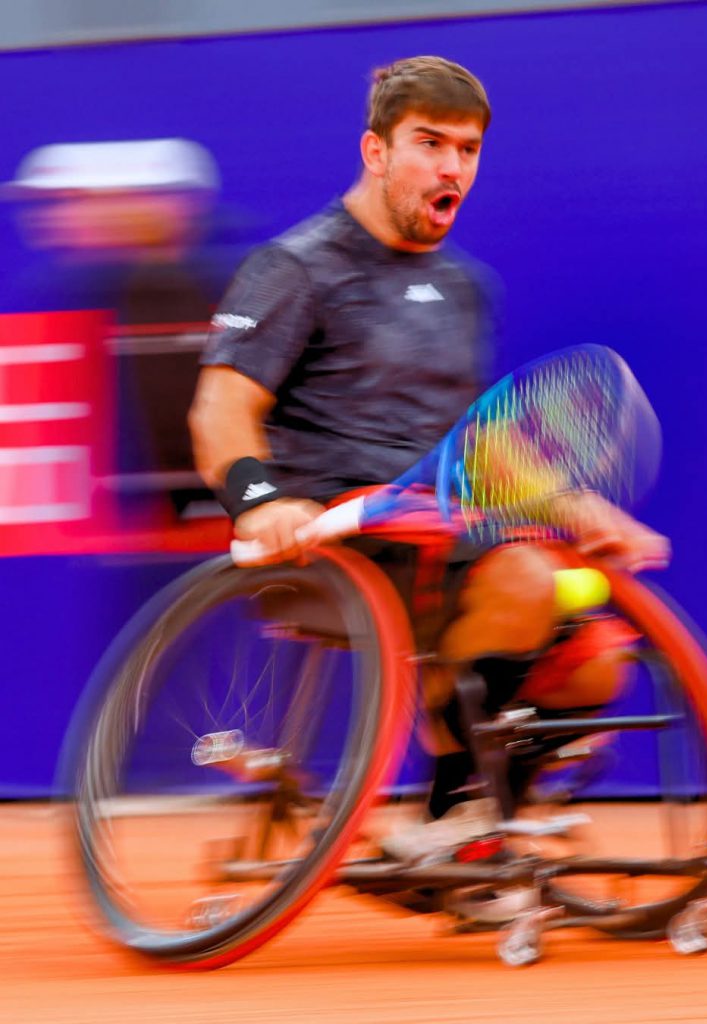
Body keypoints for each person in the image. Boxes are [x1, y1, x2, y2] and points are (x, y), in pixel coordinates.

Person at [189, 56, 669, 865]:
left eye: (468, 149)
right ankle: (464, 812)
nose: (451, 167)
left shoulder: (466, 288)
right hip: (332, 536)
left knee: (596, 666)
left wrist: (573, 506)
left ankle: (472, 814)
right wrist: (260, 499)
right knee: (523, 584)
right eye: (429, 143)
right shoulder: (293, 267)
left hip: (446, 530)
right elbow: (220, 408)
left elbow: (478, 448)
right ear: (375, 151)